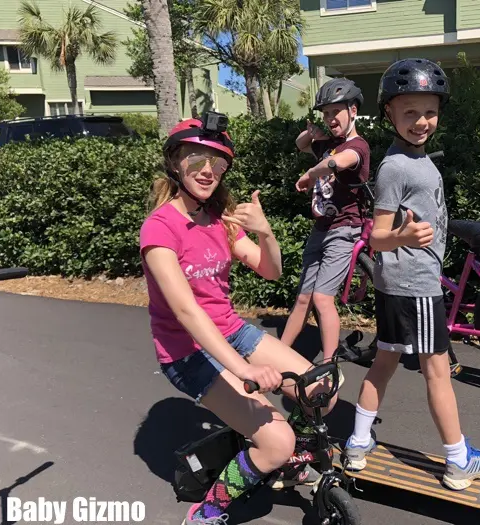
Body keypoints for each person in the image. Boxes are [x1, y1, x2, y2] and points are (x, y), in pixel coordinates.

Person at [139, 114, 337, 525]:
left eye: (218, 163)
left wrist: (265, 232)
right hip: (187, 352)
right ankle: (208, 509)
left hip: (230, 332)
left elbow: (271, 270)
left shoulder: (220, 219)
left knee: (321, 390)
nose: (208, 170)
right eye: (196, 158)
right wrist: (244, 369)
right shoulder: (159, 229)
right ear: (175, 163)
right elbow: (186, 311)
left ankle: (281, 454)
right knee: (277, 441)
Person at [342, 59, 480, 491]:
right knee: (437, 371)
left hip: (399, 284)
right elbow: (374, 238)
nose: (421, 121)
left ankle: (357, 444)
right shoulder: (396, 167)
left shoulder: (417, 159)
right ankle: (457, 460)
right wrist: (404, 236)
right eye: (409, 112)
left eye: (429, 111)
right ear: (389, 113)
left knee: (385, 362)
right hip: (415, 285)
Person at [280, 78, 371, 370]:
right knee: (303, 297)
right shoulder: (327, 144)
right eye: (326, 113)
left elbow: (338, 163)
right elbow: (300, 144)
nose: (331, 119)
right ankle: (278, 353)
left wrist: (310, 174)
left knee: (321, 297)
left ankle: (329, 365)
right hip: (321, 228)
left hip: (345, 229)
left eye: (336, 112)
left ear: (353, 110)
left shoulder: (358, 146)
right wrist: (312, 133)